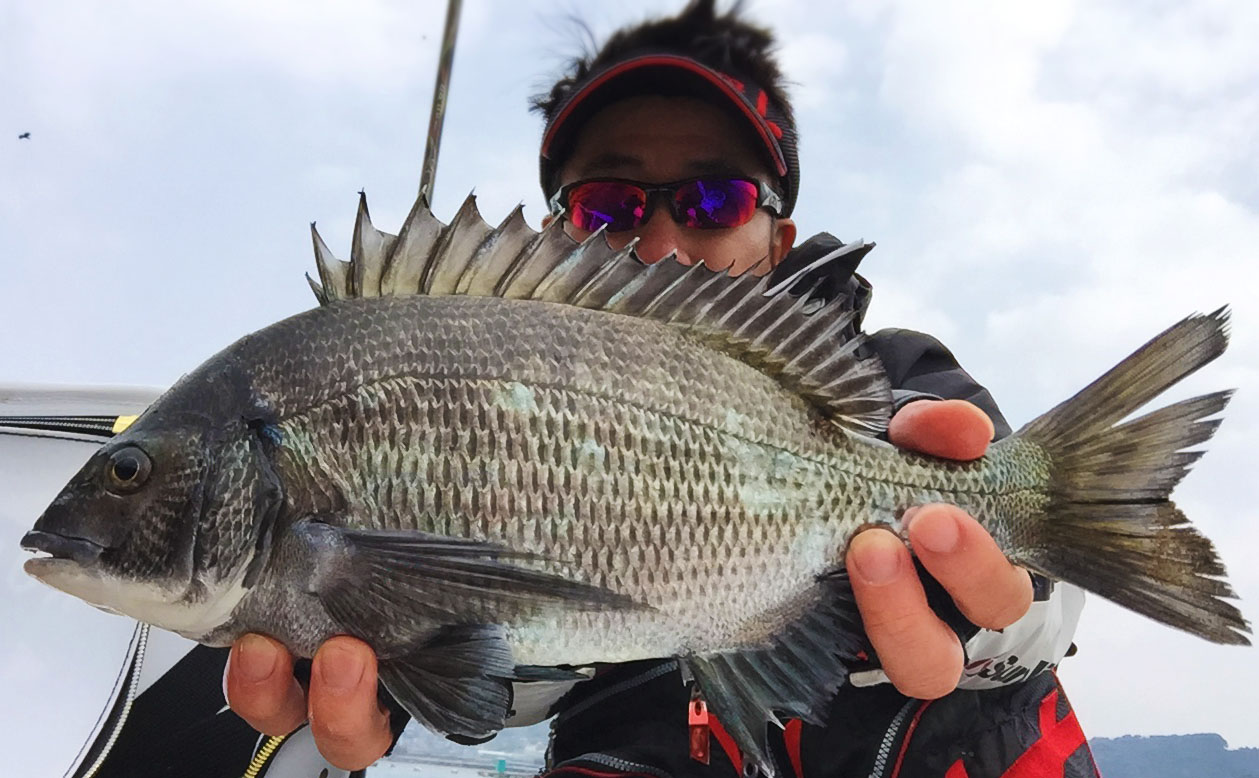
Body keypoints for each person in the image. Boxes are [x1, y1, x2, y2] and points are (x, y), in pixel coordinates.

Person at [227, 2, 1095, 776]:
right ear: (559, 235)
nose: (666, 244)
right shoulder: (483, 389)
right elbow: (520, 670)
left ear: (777, 234)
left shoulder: (890, 383)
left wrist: (979, 608)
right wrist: (393, 643)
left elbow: (1052, 607)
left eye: (713, 199)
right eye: (608, 206)